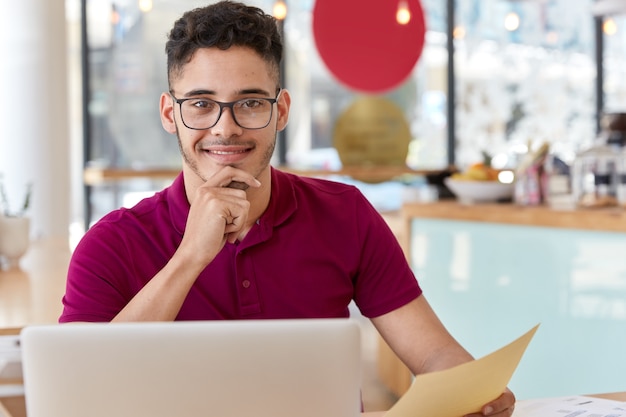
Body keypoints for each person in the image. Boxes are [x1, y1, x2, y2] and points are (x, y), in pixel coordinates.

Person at [60, 1, 515, 415]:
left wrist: (472, 389)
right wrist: (191, 256)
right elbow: (76, 395)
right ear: (169, 113)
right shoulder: (110, 244)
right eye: (201, 104)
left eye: (250, 103)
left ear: (281, 111)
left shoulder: (346, 214)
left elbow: (434, 353)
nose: (227, 128)